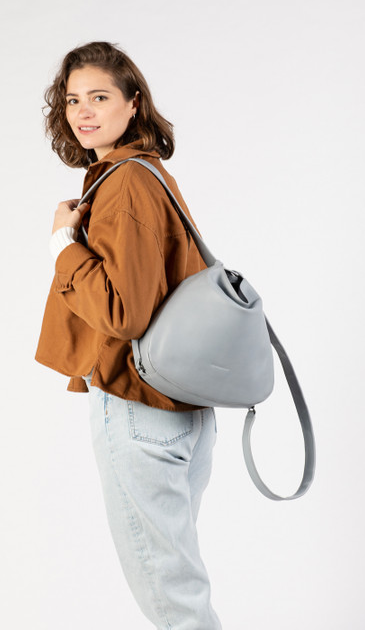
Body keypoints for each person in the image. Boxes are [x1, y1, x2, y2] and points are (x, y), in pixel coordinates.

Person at [35, 41, 222, 630]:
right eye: (73, 100)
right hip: (181, 405)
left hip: (138, 404)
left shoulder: (124, 183)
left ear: (133, 103)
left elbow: (125, 314)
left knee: (175, 606)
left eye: (99, 97)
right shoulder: (148, 175)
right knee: (179, 592)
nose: (83, 112)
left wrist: (63, 246)